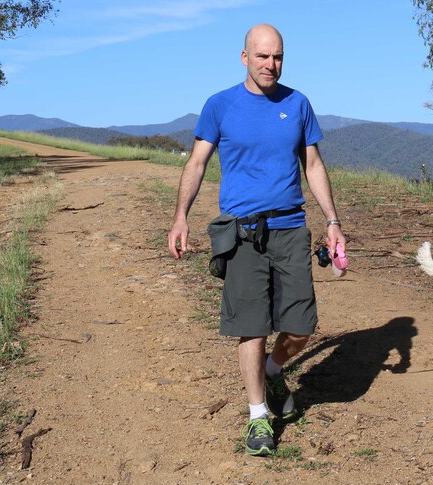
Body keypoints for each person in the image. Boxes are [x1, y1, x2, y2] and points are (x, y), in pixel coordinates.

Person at [167, 23, 345, 457]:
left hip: (290, 228)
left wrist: (333, 219)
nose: (271, 64)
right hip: (241, 232)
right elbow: (196, 164)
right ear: (244, 57)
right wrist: (180, 216)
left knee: (302, 326)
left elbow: (314, 165)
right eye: (262, 56)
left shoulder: (298, 103)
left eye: (277, 56)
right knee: (252, 326)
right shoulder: (220, 105)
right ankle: (257, 415)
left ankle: (272, 369)